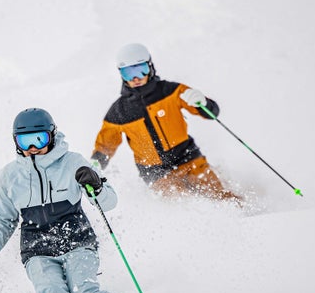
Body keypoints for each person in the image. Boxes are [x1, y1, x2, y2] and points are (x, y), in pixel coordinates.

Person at [0, 107, 133, 293]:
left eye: (39, 139)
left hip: (77, 241)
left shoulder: (73, 162)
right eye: (25, 141)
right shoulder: (9, 176)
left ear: (52, 135)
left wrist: (96, 185)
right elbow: (5, 221)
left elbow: (109, 202)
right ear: (16, 142)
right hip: (37, 251)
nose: (32, 148)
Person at [91, 42, 243, 203]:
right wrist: (95, 164)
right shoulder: (119, 111)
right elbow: (105, 145)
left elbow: (212, 113)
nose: (135, 78)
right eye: (128, 73)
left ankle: (251, 216)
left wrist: (203, 103)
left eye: (141, 69)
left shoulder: (171, 91)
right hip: (156, 173)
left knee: (220, 197)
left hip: (189, 159)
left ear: (150, 67)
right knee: (182, 206)